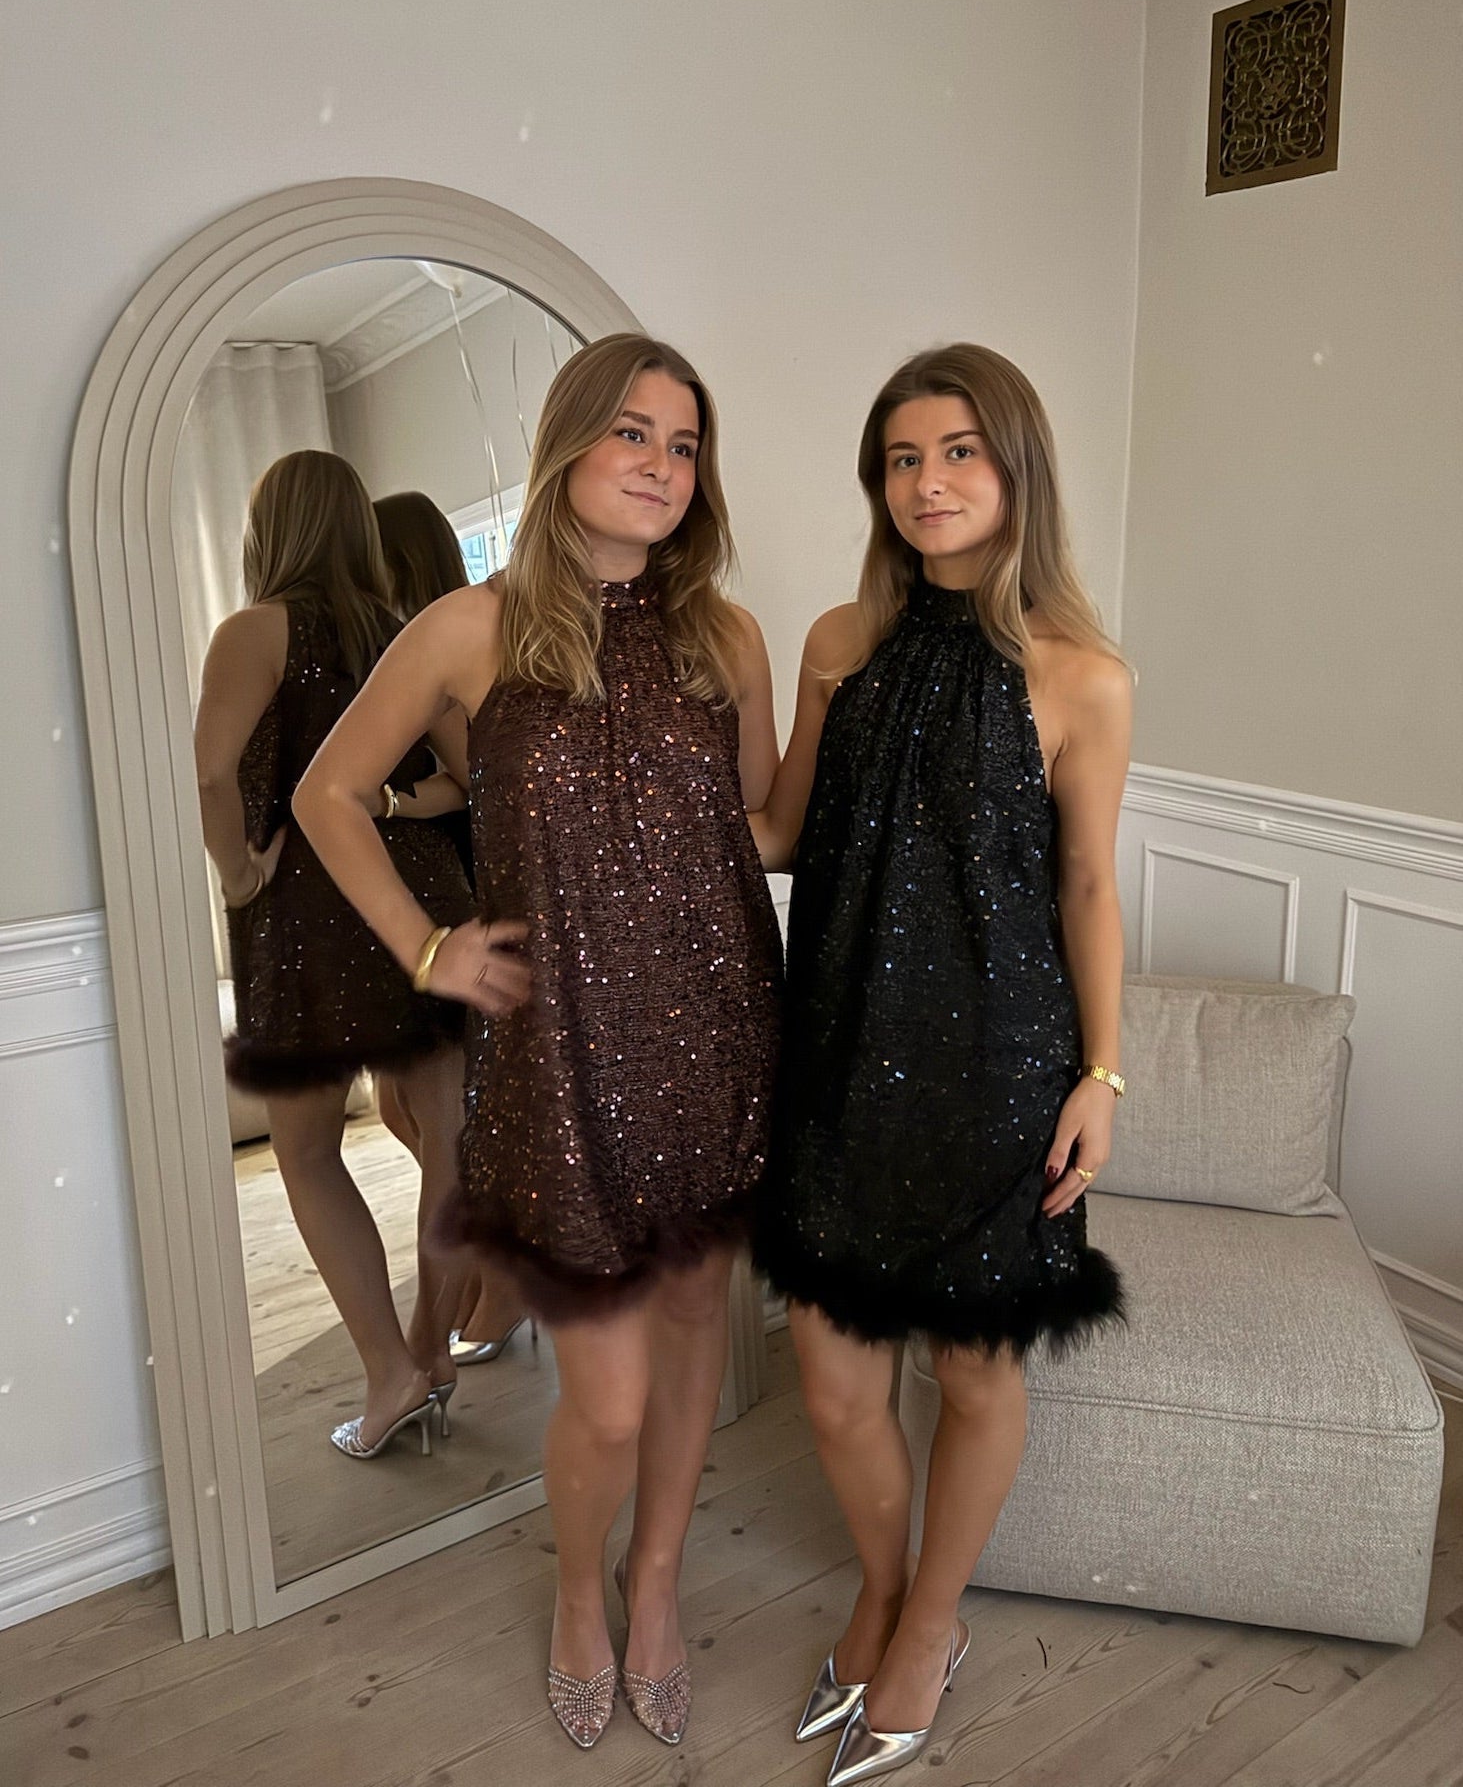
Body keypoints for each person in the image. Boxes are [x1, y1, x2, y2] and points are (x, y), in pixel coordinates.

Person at [294, 334, 782, 1749]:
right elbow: (328, 793)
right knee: (607, 1400)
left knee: (690, 1340)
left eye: (682, 445)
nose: (658, 464)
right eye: (631, 432)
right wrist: (426, 947)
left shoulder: (728, 638)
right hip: (561, 1060)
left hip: (712, 1039)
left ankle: (654, 1583)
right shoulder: (470, 627)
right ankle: (579, 1586)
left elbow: (753, 826)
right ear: (568, 443)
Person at [753, 345, 1129, 1785]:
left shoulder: (1083, 677)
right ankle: (881, 1583)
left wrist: (1102, 1074)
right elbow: (779, 830)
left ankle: (928, 1623)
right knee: (837, 1391)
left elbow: (1084, 886)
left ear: (1013, 465)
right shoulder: (835, 644)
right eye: (902, 459)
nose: (926, 482)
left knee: (973, 1376)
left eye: (957, 451)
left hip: (997, 1072)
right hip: (838, 1058)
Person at [193, 450, 477, 1459]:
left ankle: (392, 1370)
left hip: (308, 914)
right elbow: (472, 774)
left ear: (269, 529)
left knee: (307, 1150)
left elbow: (211, 773)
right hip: (419, 898)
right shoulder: (410, 631)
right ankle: (432, 1348)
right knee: (449, 1132)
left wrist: (237, 873)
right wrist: (393, 802)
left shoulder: (253, 630)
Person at [373, 488, 528, 1365]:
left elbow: (476, 778)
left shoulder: (455, 639)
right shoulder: (413, 642)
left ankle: (496, 1281)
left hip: (471, 876)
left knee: (461, 1109)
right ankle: (485, 1266)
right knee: (410, 1106)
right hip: (435, 877)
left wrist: (396, 801)